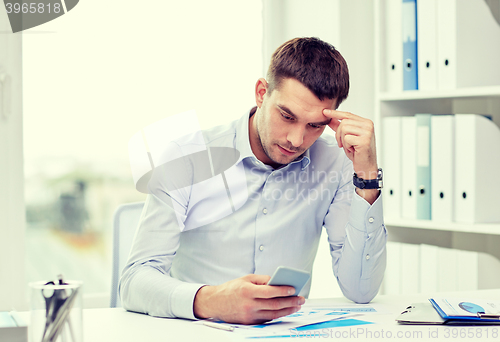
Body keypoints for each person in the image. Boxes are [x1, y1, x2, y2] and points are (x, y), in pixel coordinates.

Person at [119, 37, 387, 325]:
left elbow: (361, 290)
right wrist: (212, 301)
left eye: (314, 126)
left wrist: (367, 175)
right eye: (286, 116)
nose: (296, 140)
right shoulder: (187, 157)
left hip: (285, 333)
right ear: (261, 93)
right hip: (196, 331)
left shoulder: (336, 164)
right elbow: (134, 282)